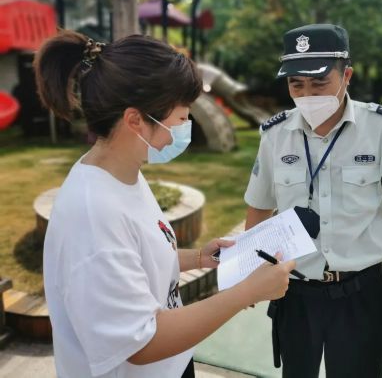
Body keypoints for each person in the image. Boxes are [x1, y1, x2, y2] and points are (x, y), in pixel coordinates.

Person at [36, 30, 295, 378]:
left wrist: (199, 258)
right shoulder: (92, 214)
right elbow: (142, 344)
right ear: (135, 120)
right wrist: (248, 291)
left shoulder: (123, 175)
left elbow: (132, 262)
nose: (186, 127)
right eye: (181, 117)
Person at [244, 24, 382, 377]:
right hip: (295, 293)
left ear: (346, 75)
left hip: (360, 292)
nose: (307, 94)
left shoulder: (381, 130)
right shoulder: (275, 135)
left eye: (318, 83)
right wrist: (253, 273)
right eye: (296, 84)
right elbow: (259, 206)